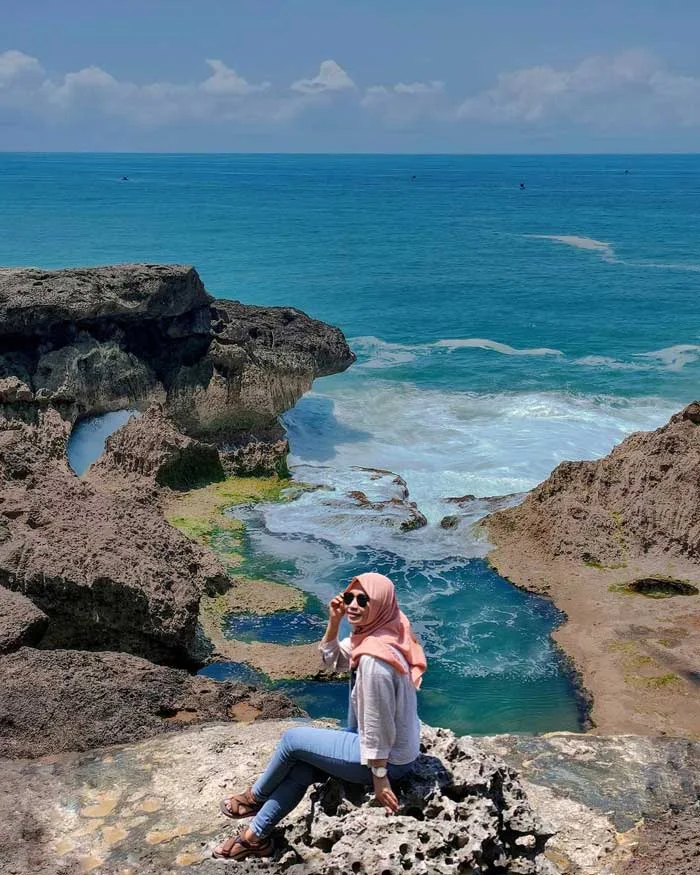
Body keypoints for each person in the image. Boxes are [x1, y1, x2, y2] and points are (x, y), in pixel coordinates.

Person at [212, 572, 427, 861]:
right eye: (349, 596)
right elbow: (333, 661)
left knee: (292, 740)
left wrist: (379, 777)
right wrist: (334, 622)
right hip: (385, 747)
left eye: (363, 600)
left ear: (380, 604)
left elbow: (379, 726)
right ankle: (256, 838)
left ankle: (255, 799)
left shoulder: (376, 660)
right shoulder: (384, 628)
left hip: (386, 759)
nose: (352, 604)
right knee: (301, 768)